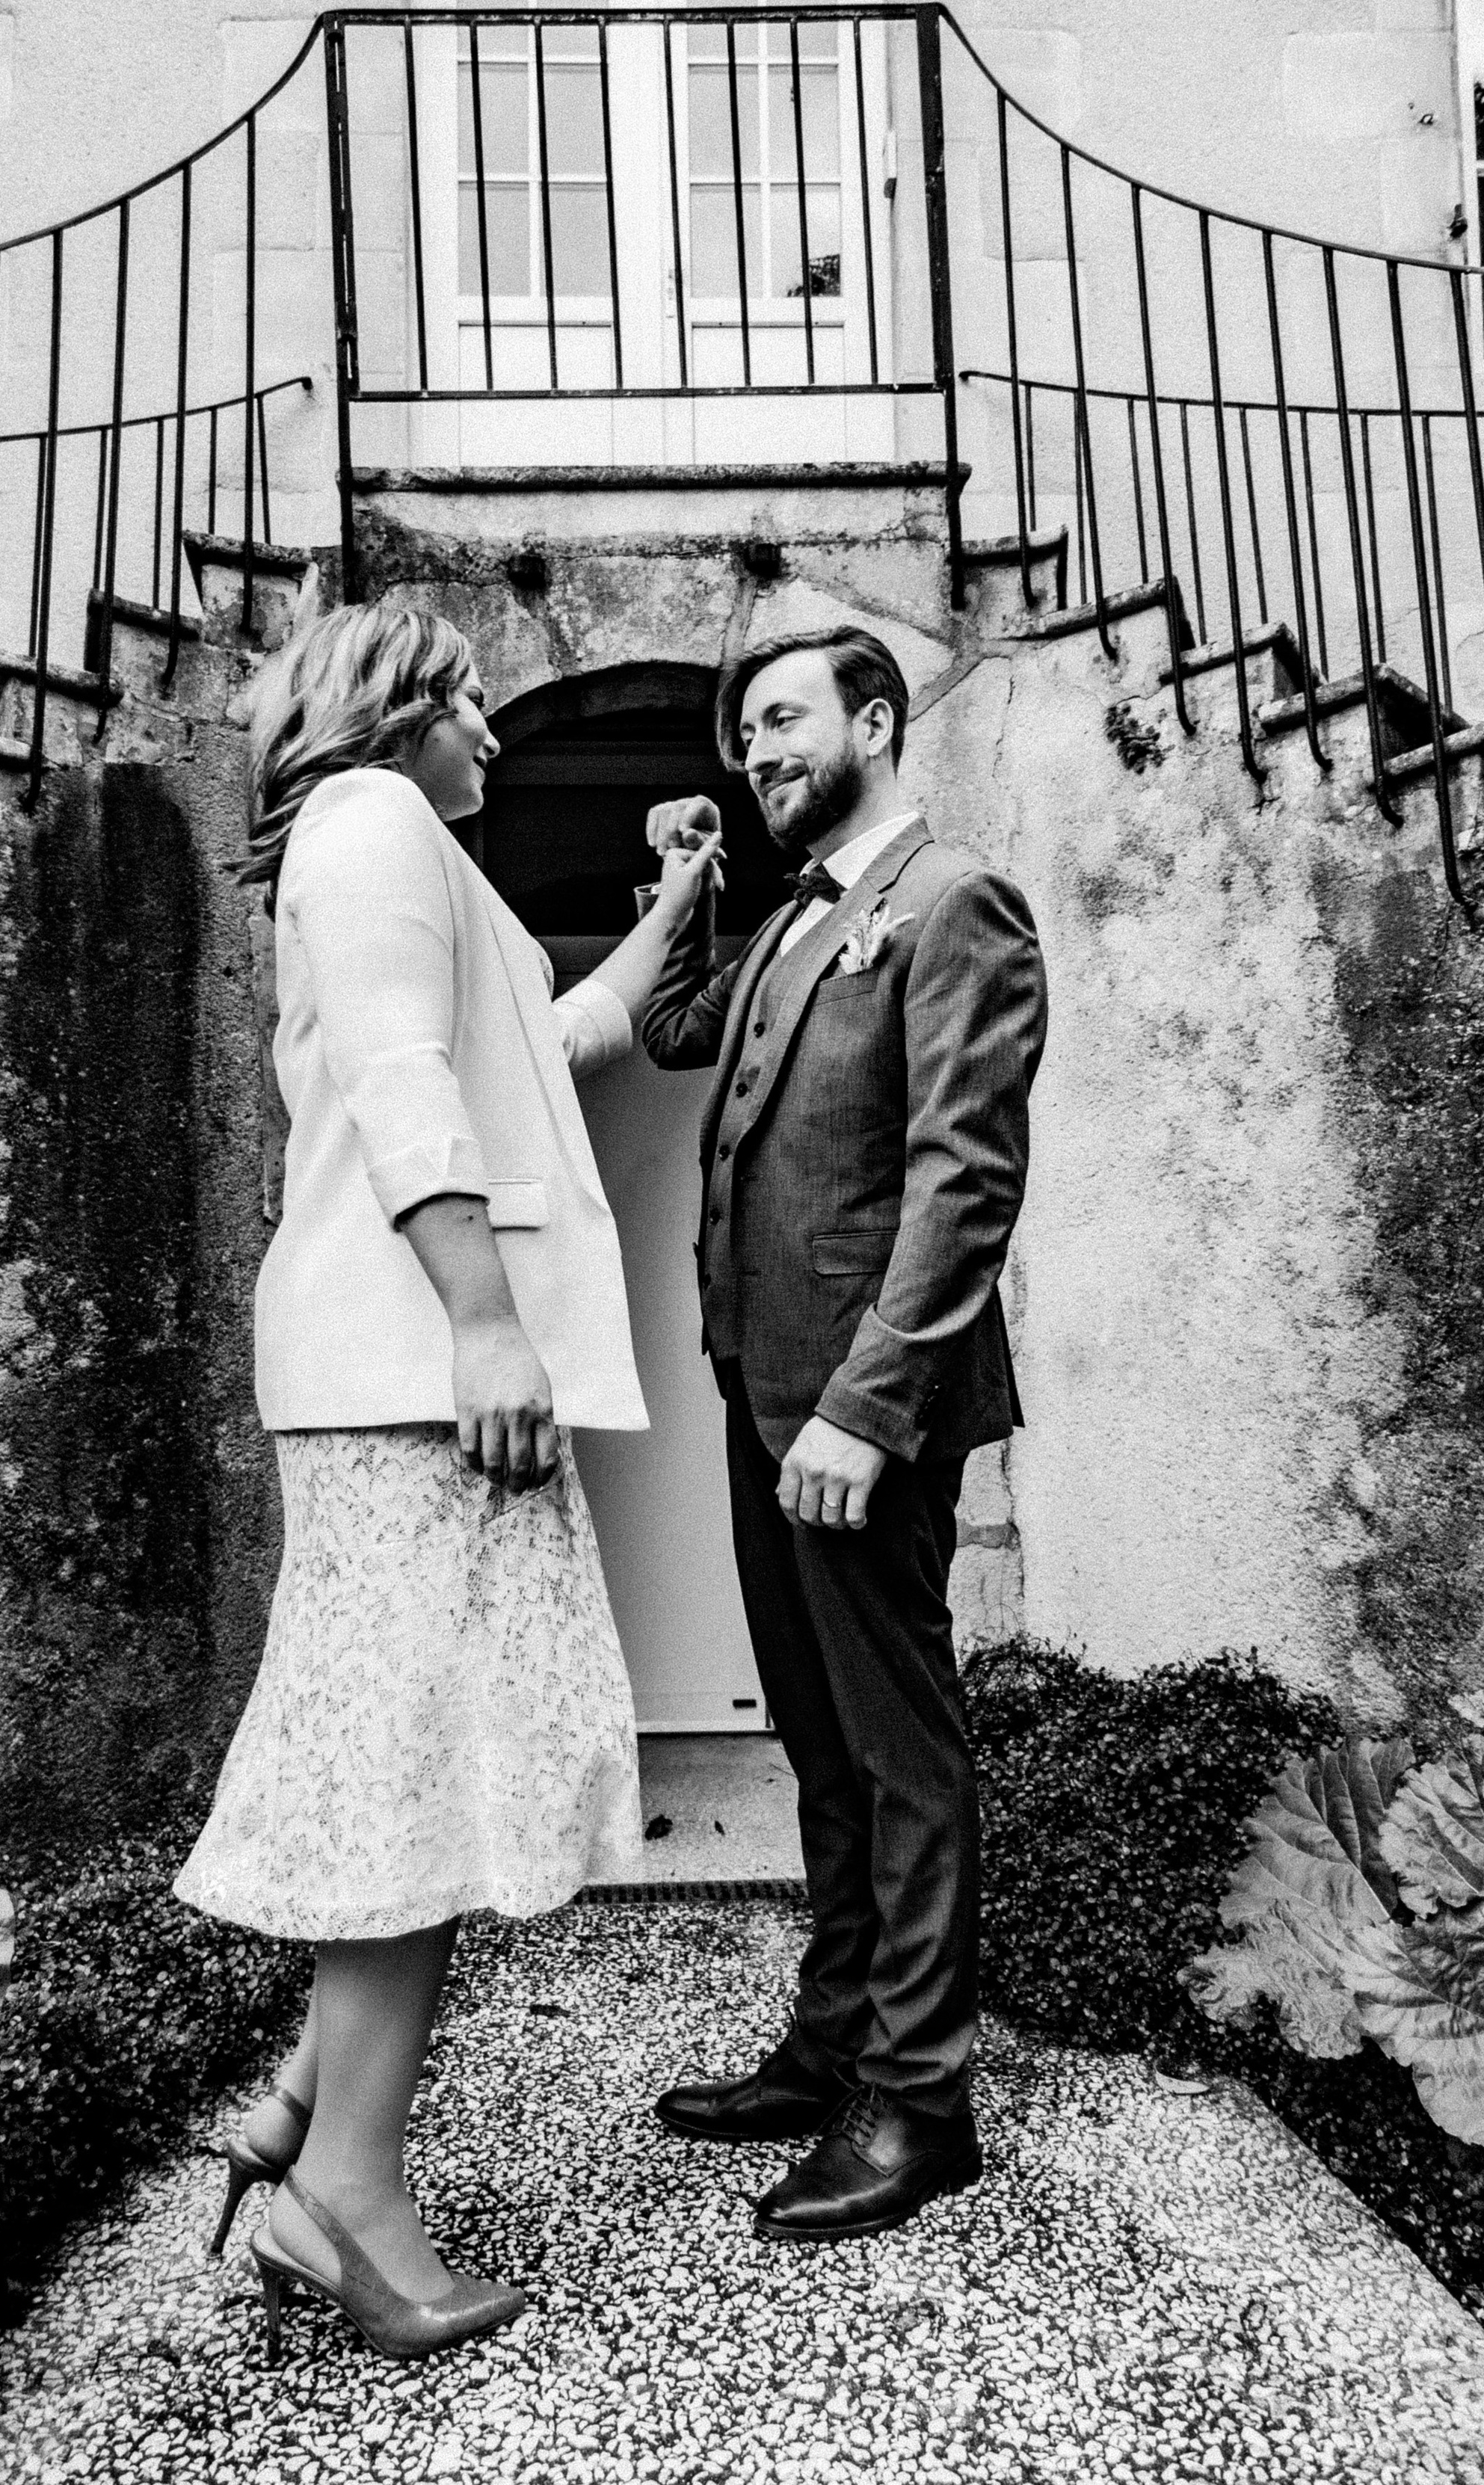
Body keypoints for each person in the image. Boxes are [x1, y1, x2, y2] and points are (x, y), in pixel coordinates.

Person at [174, 599, 720, 2362]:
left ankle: (298, 2107)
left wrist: (670, 916)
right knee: (413, 1784)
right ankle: (348, 2194)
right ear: (393, 704)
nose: (491, 729)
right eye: (469, 698)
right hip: (413, 1373)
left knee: (420, 1743)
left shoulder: (388, 854)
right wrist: (486, 1325)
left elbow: (537, 1062)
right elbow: (411, 1087)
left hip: (400, 1373)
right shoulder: (371, 823)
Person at [640, 625, 1047, 2245]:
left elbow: (965, 1184)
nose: (756, 749)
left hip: (857, 1416)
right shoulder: (802, 917)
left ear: (877, 719)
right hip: (761, 1391)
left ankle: (919, 2098)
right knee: (816, 1736)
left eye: (784, 718)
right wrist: (689, 885)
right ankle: (833, 2040)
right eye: (742, 732)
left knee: (896, 1744)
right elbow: (681, 1036)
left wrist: (868, 1415)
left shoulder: (951, 903)